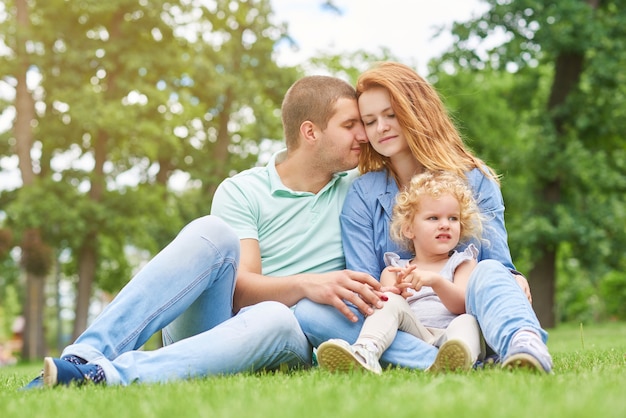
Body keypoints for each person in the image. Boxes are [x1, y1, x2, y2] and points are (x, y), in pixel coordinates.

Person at [23, 75, 386, 389]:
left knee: (276, 315)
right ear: (311, 132)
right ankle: (84, 357)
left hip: (281, 334)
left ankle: (108, 376)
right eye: (350, 125)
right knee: (211, 230)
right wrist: (310, 284)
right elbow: (240, 292)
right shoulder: (242, 190)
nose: (364, 135)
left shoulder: (359, 191)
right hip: (215, 320)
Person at [294, 61, 553, 373]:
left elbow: (497, 265)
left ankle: (524, 345)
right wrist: (392, 289)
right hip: (400, 322)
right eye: (370, 120)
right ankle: (439, 361)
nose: (381, 127)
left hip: (467, 317)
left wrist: (513, 280)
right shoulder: (363, 193)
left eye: (391, 115)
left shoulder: (474, 180)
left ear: (416, 111)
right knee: (310, 312)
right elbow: (367, 287)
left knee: (491, 272)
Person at [317, 171, 486, 374]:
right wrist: (398, 292)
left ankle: (456, 360)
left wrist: (435, 281)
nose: (445, 224)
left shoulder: (463, 262)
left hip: (450, 335)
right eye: (433, 218)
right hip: (416, 335)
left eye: (453, 218)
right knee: (387, 300)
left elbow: (463, 305)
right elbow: (381, 305)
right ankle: (365, 351)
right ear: (409, 229)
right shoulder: (395, 269)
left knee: (468, 321)